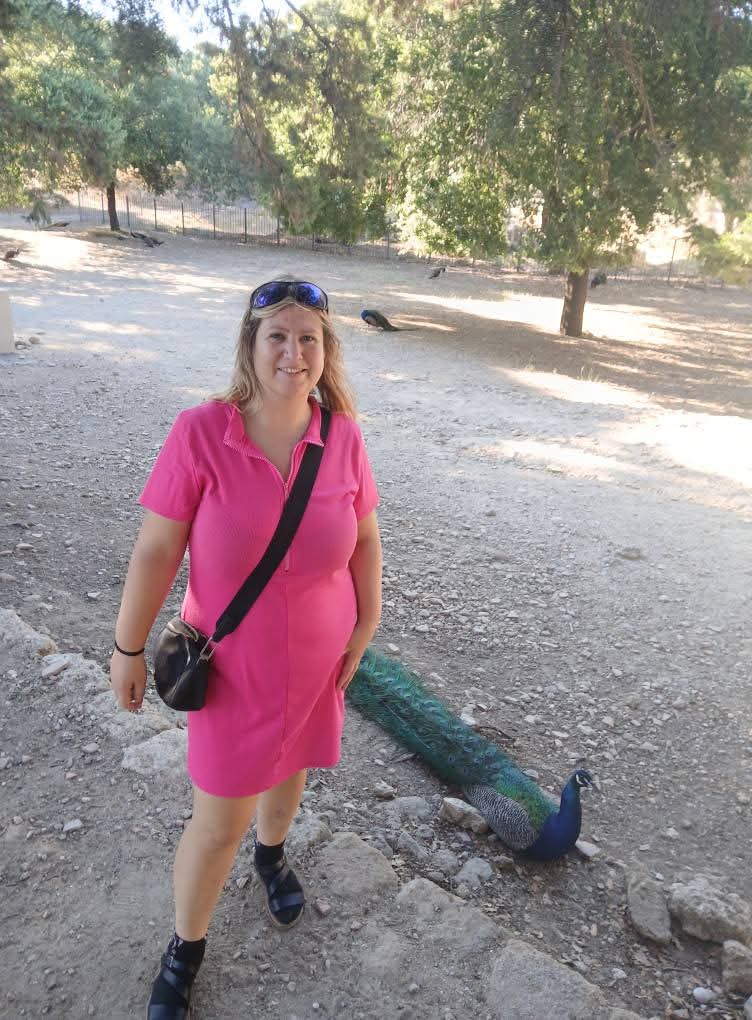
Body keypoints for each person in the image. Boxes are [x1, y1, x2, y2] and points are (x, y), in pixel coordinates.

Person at [109, 278, 382, 1020]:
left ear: (325, 350)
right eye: (278, 337)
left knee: (293, 770)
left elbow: (364, 539)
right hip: (232, 670)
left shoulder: (343, 438)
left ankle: (273, 854)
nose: (294, 353)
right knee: (217, 822)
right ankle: (186, 948)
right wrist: (127, 648)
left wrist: (366, 625)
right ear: (250, 345)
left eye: (308, 338)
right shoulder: (201, 432)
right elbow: (157, 550)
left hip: (320, 662)